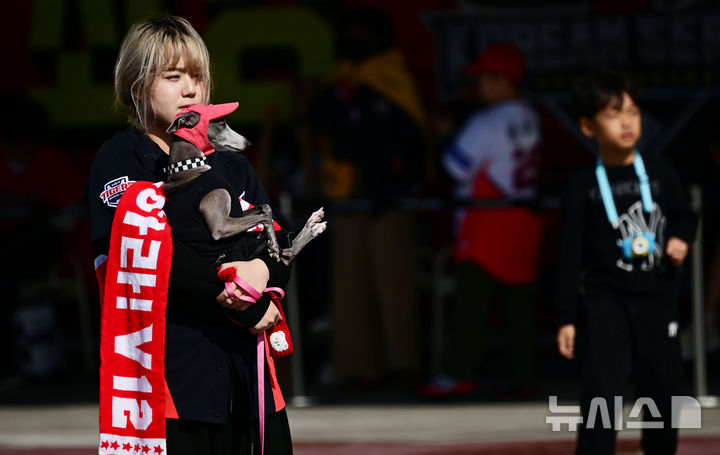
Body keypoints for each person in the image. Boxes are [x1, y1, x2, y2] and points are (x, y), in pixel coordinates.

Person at [83, 14, 293, 454]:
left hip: (248, 376)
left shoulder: (230, 161)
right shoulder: (121, 160)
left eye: (197, 76)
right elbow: (144, 253)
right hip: (170, 381)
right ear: (137, 86)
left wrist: (261, 268)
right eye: (173, 76)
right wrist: (242, 306)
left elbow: (276, 233)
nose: (190, 89)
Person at [555, 68, 697, 455]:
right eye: (614, 114)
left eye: (633, 112)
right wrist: (566, 315)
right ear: (588, 127)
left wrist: (682, 239)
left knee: (663, 391)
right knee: (602, 390)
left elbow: (684, 215)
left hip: (657, 296)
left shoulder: (661, 173)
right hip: (607, 300)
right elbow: (569, 255)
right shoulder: (581, 187)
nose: (627, 122)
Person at [308, 8, 427, 393]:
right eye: (350, 33)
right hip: (347, 200)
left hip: (389, 201)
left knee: (394, 288)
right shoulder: (339, 81)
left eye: (362, 33)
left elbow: (410, 140)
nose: (355, 41)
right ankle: (357, 369)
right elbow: (320, 122)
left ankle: (403, 364)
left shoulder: (393, 77)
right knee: (349, 289)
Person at [420, 42, 542, 399]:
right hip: (522, 220)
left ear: (503, 79)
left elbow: (454, 166)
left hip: (487, 221)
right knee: (520, 310)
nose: (479, 87)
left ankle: (459, 374)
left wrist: (443, 135)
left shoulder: (487, 119)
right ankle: (525, 378)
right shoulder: (530, 114)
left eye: (485, 79)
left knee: (471, 307)